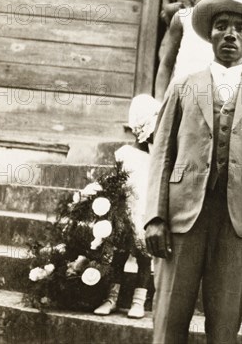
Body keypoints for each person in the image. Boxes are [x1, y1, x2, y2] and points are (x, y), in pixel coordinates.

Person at [144, 0, 242, 344]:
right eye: (222, 25)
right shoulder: (183, 86)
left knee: (224, 326)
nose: (230, 34)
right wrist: (155, 218)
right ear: (210, 34)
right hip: (183, 217)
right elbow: (161, 155)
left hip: (238, 223)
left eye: (239, 27)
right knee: (169, 320)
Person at [93, 95, 161, 319]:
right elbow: (117, 185)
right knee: (119, 256)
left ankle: (138, 302)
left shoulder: (157, 158)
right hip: (125, 212)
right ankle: (111, 298)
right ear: (143, 127)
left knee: (144, 258)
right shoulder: (124, 154)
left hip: (144, 213)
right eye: (154, 125)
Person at [154, 0, 239, 101]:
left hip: (217, 98)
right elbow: (167, 64)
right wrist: (159, 101)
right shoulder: (183, 18)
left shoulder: (235, 23)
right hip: (184, 93)